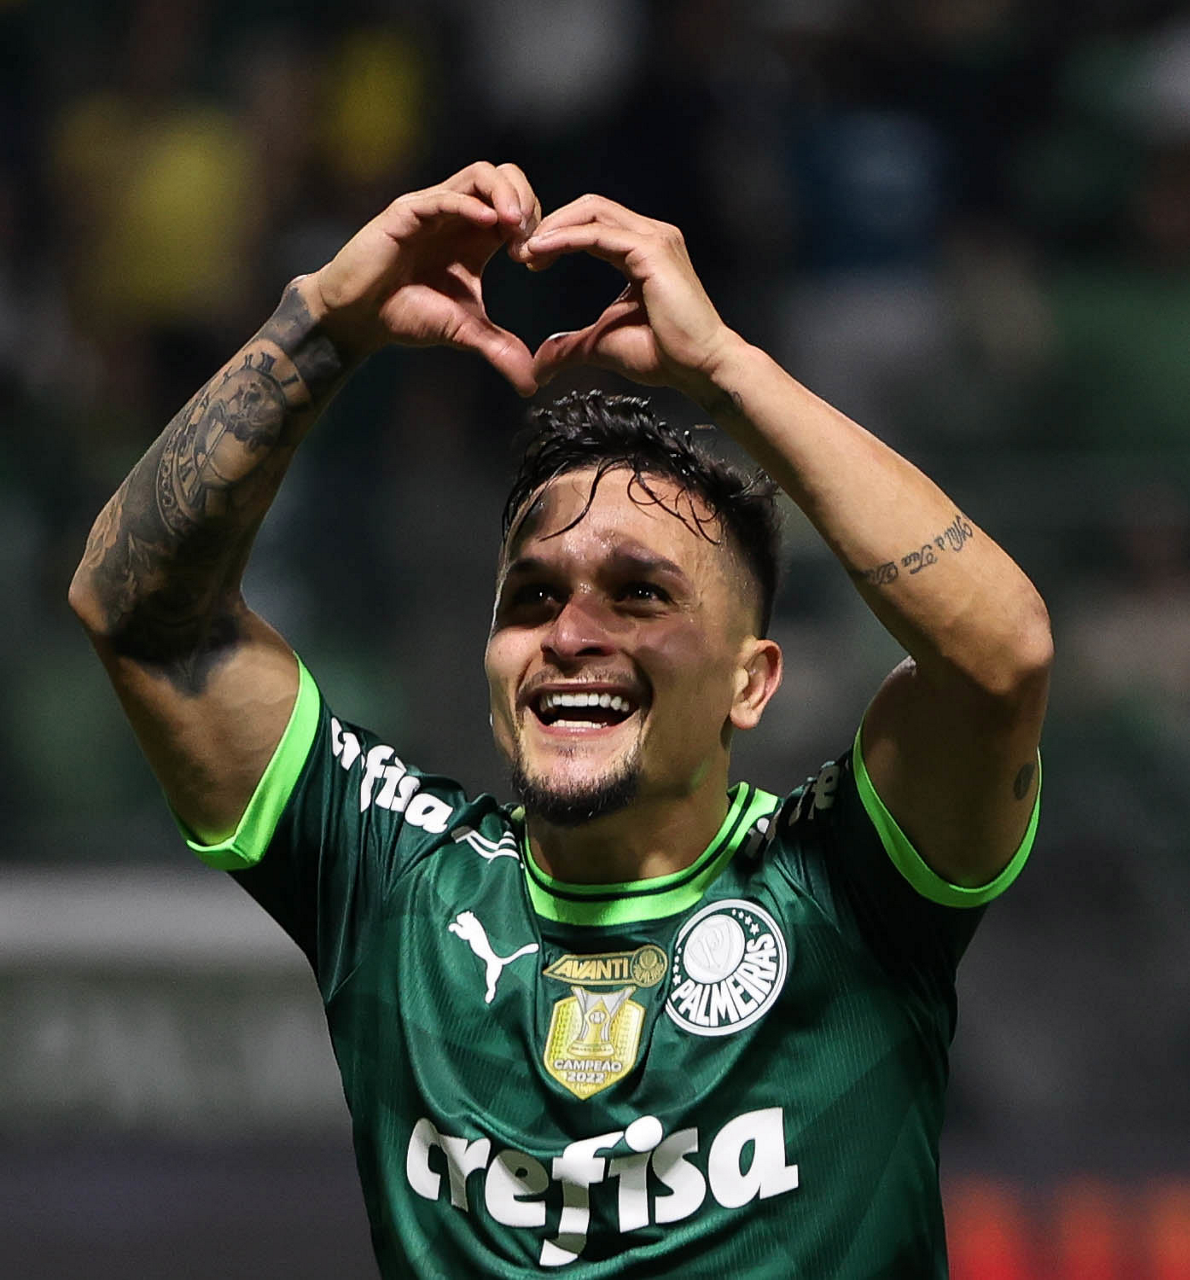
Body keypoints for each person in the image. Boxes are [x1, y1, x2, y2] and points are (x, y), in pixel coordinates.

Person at [69, 162, 1052, 1277]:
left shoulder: (846, 890)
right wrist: (324, 320)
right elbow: (140, 614)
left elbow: (998, 659)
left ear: (751, 681)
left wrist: (722, 369)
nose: (572, 632)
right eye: (532, 596)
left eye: (640, 594)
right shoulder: (399, 885)